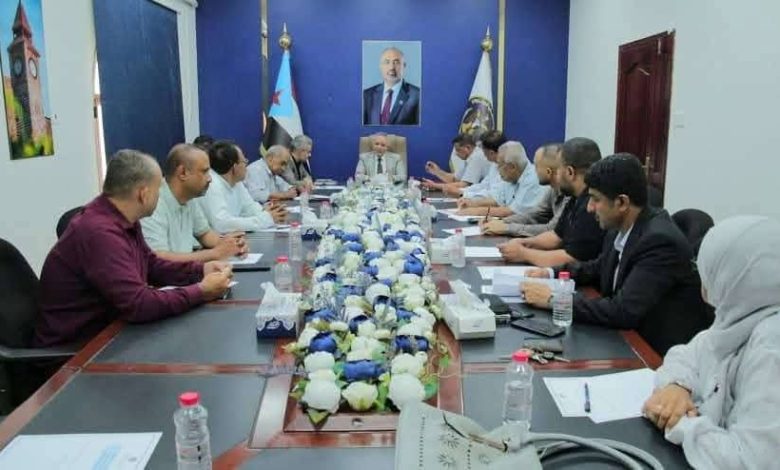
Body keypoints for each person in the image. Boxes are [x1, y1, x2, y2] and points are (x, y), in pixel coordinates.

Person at [33, 150, 233, 347]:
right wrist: (200, 291)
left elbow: (151, 265)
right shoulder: (99, 233)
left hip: (111, 332)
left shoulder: (124, 218)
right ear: (143, 194)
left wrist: (200, 270)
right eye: (158, 189)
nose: (160, 194)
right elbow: (138, 304)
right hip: (80, 350)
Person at [522, 154, 713, 354]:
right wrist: (550, 273)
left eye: (596, 199)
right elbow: (597, 267)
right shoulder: (620, 227)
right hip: (624, 337)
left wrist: (553, 299)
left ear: (622, 203)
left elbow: (623, 311)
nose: (589, 208)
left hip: (652, 352)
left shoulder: (659, 241)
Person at [642, 216, 780, 469]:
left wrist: (678, 421)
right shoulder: (741, 317)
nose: (702, 278)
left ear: (736, 276)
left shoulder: (771, 345)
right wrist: (677, 386)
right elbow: (686, 354)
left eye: (708, 268)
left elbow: (751, 461)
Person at [497, 137, 604, 267]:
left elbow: (572, 258)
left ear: (570, 172)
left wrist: (524, 253)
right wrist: (525, 243)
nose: (555, 175)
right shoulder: (575, 197)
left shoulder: (590, 206)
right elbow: (556, 236)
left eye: (558, 169)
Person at [142, 144, 248, 262]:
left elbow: (205, 234)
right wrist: (214, 253)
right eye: (204, 172)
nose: (210, 179)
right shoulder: (153, 203)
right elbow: (158, 257)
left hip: (182, 272)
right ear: (183, 173)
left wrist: (230, 245)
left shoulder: (189, 198)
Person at [481, 143, 568, 238]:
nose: (534, 170)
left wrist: (507, 228)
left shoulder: (569, 195)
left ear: (548, 172)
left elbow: (552, 230)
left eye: (536, 166)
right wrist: (502, 222)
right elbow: (535, 214)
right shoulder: (553, 189)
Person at [199, 140, 286, 232]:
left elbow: (250, 207)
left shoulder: (237, 182)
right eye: (244, 162)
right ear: (235, 167)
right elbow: (222, 225)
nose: (246, 166)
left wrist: (268, 212)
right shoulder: (212, 185)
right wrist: (265, 219)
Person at [455, 141, 545, 217]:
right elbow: (497, 200)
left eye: (499, 165)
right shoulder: (512, 177)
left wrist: (476, 211)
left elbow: (512, 211)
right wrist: (473, 203)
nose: (497, 170)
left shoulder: (533, 179)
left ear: (512, 167)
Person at [363, 47, 420, 125]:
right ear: (380, 66)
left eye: (396, 62)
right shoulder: (367, 95)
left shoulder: (418, 96)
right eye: (387, 62)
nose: (391, 68)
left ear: (404, 66)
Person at [422, 133, 489, 192]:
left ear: (468, 147)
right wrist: (437, 171)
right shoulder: (469, 159)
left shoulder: (476, 157)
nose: (456, 154)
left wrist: (435, 186)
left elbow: (465, 185)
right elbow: (454, 179)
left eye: (458, 150)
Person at [450, 130, 507, 198]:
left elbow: (495, 195)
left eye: (483, 150)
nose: (482, 152)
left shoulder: (507, 167)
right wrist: (461, 191)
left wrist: (464, 193)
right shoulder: (494, 164)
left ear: (491, 153)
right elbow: (483, 185)